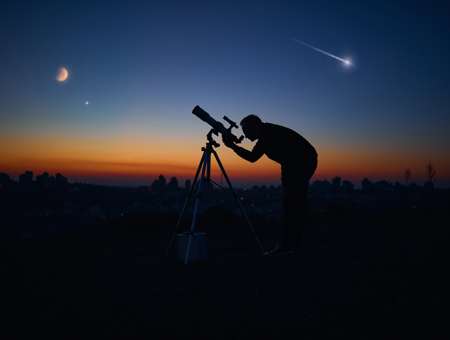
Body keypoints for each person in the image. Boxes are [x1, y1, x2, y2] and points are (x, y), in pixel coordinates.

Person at [222, 115, 317, 256]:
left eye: (247, 131)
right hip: (298, 164)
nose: (245, 136)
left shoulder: (275, 135)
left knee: (291, 201)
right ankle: (295, 244)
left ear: (256, 126)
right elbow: (252, 157)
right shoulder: (264, 138)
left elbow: (287, 163)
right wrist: (232, 147)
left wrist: (286, 188)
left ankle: (286, 245)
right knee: (296, 202)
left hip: (303, 163)